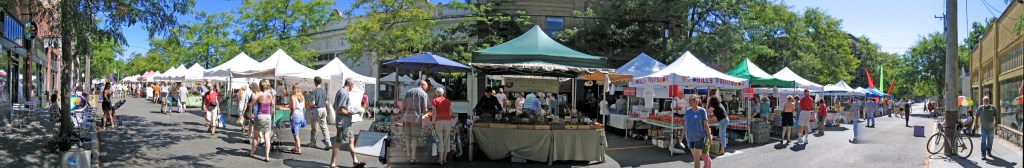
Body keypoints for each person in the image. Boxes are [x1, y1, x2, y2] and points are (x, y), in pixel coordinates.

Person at [330, 78, 366, 168]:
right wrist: (351, 112)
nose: (353, 87)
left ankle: (355, 161)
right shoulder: (344, 93)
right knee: (339, 142)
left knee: (351, 140)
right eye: (353, 86)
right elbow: (340, 109)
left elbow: (335, 106)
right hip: (343, 122)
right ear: (350, 85)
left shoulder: (340, 91)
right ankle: (333, 163)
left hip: (346, 122)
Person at [398, 80, 429, 164]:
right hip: (416, 118)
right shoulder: (424, 94)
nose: (427, 88)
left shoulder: (409, 91)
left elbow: (403, 104)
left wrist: (404, 112)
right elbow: (425, 109)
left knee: (408, 136)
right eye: (426, 86)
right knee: (414, 138)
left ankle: (408, 156)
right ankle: (413, 158)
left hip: (406, 117)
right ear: (422, 85)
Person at [683, 94, 713, 168]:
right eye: (689, 100)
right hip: (690, 137)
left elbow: (706, 125)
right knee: (695, 157)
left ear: (695, 101)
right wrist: (681, 137)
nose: (689, 102)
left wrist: (709, 137)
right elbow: (685, 124)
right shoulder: (688, 111)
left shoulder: (702, 111)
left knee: (696, 159)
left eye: (691, 100)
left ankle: (707, 164)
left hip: (699, 137)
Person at [249, 80, 274, 162]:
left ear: (259, 86)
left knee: (255, 136)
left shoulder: (257, 95)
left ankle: (252, 152)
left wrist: (251, 113)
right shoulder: (270, 95)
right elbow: (272, 104)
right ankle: (267, 156)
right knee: (267, 137)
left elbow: (251, 104)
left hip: (260, 116)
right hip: (267, 116)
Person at [307, 77, 332, 149]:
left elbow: (313, 102)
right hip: (324, 109)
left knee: (314, 127)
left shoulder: (314, 91)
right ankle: (328, 143)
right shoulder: (324, 91)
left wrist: (309, 106)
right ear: (320, 82)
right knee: (324, 127)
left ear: (315, 82)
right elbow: (326, 102)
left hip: (316, 109)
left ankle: (313, 142)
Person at [431, 87, 453, 165]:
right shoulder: (448, 101)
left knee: (440, 140)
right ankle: (444, 159)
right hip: (447, 121)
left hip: (438, 122)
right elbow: (451, 113)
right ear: (443, 93)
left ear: (436, 93)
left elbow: (434, 114)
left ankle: (440, 159)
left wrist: (433, 123)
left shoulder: (434, 101)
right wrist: (448, 119)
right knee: (446, 140)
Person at [705, 89, 728, 154]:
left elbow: (707, 111)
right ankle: (722, 149)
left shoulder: (714, 102)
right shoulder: (717, 102)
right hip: (724, 119)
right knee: (722, 134)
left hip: (723, 120)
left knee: (722, 135)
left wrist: (707, 102)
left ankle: (722, 150)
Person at [288, 84, 307, 154]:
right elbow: (304, 107)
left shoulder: (293, 97)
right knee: (296, 132)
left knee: (295, 134)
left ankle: (299, 149)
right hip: (301, 115)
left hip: (295, 115)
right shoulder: (302, 97)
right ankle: (296, 147)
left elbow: (293, 107)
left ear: (293, 89)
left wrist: (290, 114)